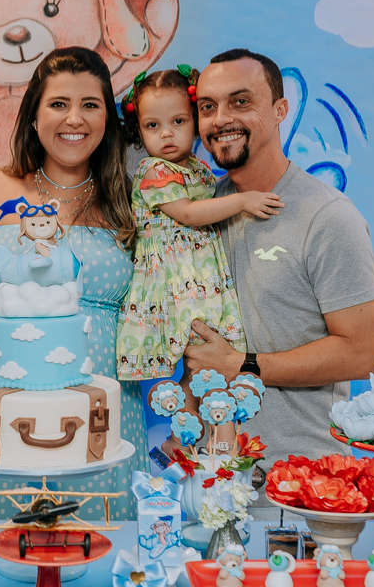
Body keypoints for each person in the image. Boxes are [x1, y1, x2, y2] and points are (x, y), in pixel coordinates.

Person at [0, 46, 148, 519]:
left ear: (108, 116)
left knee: (102, 546)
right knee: (11, 547)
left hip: (104, 408)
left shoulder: (131, 203)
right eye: (58, 103)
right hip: (10, 408)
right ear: (33, 114)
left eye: (91, 104)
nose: (76, 119)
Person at [179, 48, 374, 466]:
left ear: (279, 110)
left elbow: (361, 354)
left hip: (298, 480)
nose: (221, 120)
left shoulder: (327, 217)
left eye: (240, 102)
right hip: (207, 474)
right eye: (207, 107)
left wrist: (242, 365)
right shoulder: (199, 213)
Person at [115, 66, 282, 382]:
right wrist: (244, 201)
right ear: (139, 130)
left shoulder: (199, 168)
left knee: (210, 357)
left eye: (178, 122)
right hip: (172, 278)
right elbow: (189, 213)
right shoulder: (154, 171)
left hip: (200, 272)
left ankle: (204, 421)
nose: (166, 133)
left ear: (195, 122)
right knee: (194, 351)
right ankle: (184, 422)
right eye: (153, 125)